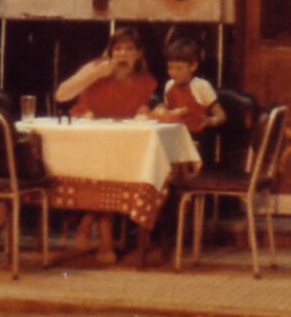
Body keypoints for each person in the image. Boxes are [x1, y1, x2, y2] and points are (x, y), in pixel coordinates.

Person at [53, 26, 157, 263]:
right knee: (106, 167)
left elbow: (138, 112)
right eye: (117, 49)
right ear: (110, 53)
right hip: (86, 141)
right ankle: (107, 237)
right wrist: (95, 75)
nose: (122, 55)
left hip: (117, 144)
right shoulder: (96, 67)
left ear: (139, 54)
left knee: (116, 167)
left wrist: (144, 111)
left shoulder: (146, 81)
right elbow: (61, 94)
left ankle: (88, 221)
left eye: (129, 49)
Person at [153, 36, 224, 139]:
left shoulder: (201, 86)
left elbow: (221, 116)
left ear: (193, 66)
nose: (173, 73)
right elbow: (168, 110)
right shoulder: (169, 85)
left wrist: (210, 121)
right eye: (170, 68)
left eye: (179, 68)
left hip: (195, 138)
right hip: (172, 136)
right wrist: (161, 108)